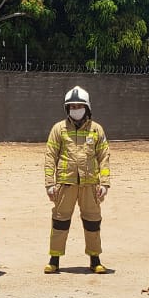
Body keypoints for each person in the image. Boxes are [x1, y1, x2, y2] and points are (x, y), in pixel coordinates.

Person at [43, 85, 110, 274]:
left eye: (79, 106)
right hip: (65, 184)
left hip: (90, 185)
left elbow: (104, 157)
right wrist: (49, 184)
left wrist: (104, 184)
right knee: (60, 222)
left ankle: (95, 259)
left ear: (87, 107)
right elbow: (50, 157)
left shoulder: (96, 130)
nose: (75, 109)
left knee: (92, 222)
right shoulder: (59, 129)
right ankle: (54, 259)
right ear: (66, 109)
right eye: (71, 107)